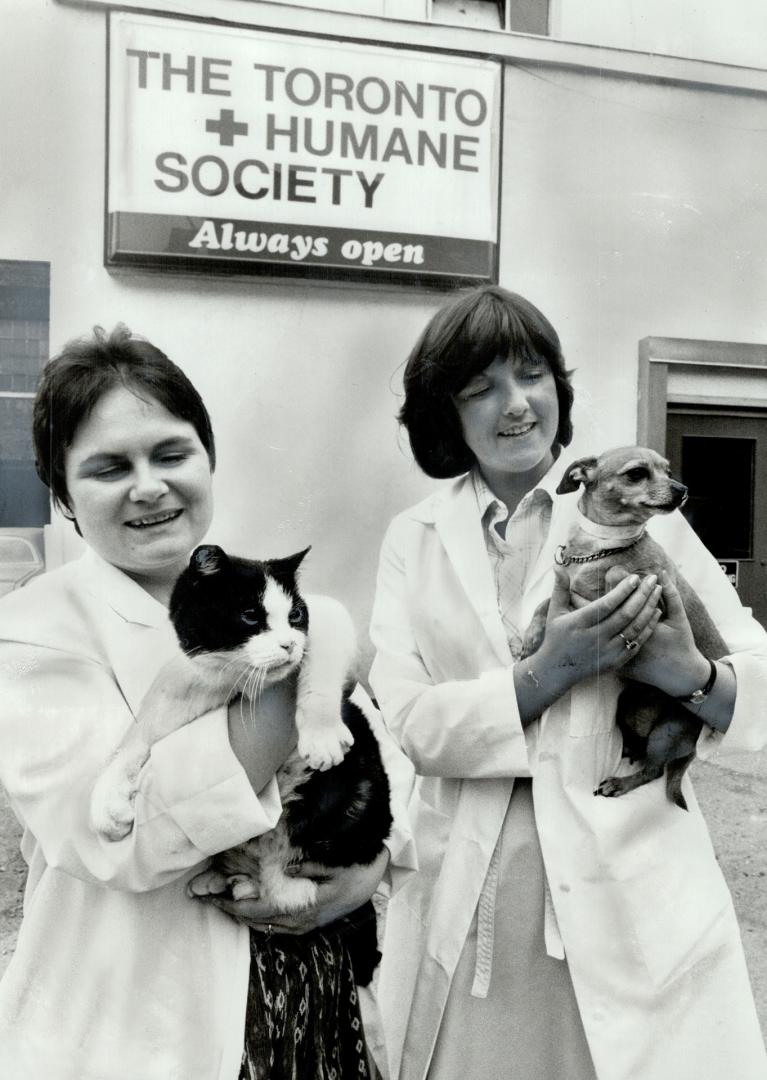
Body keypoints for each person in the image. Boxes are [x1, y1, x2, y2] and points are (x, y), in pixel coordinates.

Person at [368, 285, 767, 1080]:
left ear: (559, 385)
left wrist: (685, 673)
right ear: (443, 413)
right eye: (478, 389)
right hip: (472, 909)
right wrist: (544, 674)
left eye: (531, 376)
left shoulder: (645, 522)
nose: (513, 406)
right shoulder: (413, 540)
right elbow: (409, 722)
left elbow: (755, 686)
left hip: (631, 906)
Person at [0, 325, 415, 1080]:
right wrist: (305, 667)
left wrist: (370, 868)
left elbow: (383, 759)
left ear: (208, 458)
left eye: (170, 453)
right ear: (61, 493)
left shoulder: (262, 598)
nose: (149, 486)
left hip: (316, 1004)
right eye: (107, 468)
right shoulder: (33, 632)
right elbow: (112, 841)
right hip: (143, 1027)